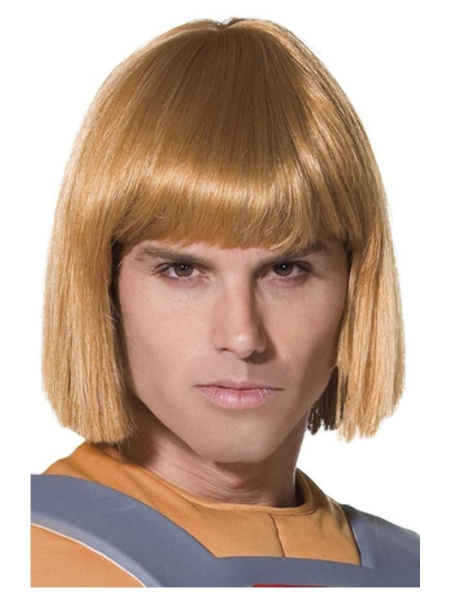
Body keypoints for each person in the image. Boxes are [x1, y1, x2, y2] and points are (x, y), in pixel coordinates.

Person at [30, 16, 419, 587]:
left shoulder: (416, 570)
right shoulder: (31, 558)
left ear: (356, 287)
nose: (242, 336)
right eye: (183, 270)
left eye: (286, 269)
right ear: (103, 285)